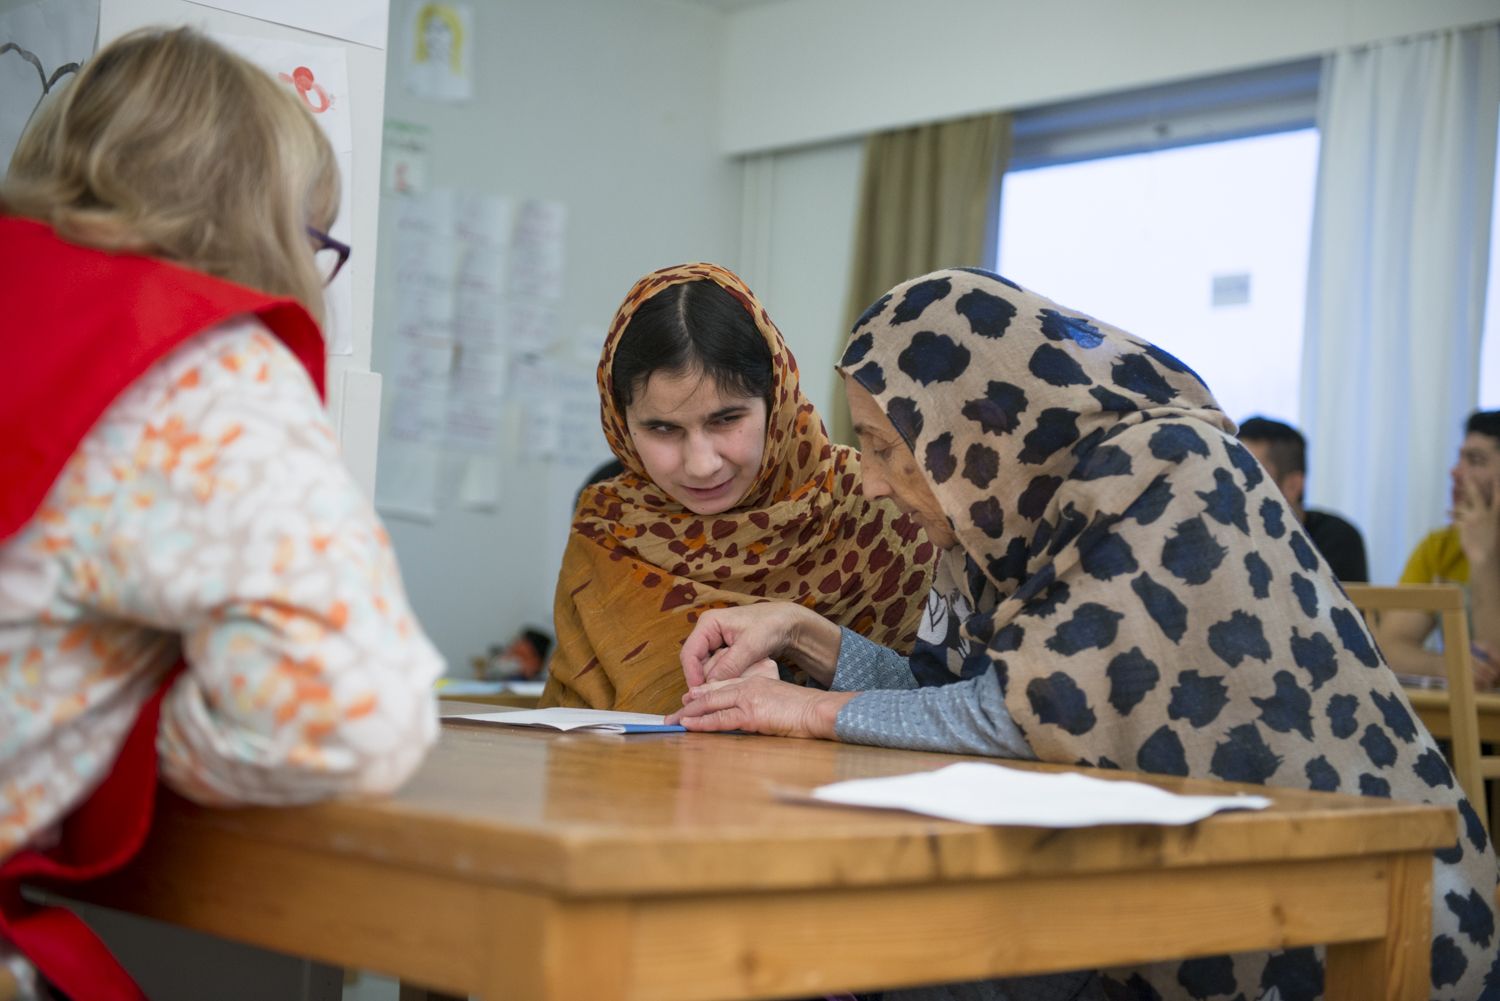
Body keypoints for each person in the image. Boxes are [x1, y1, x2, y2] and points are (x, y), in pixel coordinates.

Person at [669, 269, 1498, 1000]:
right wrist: (807, 636)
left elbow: (1024, 719)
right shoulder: (986, 509)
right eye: (866, 446)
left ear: (967, 421)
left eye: (890, 448)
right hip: (1164, 904)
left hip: (1364, 925)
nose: (877, 483)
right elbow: (944, 701)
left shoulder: (1167, 471)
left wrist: (808, 709)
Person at [0, 28, 442, 999]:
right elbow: (356, 714)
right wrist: (135, 727)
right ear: (264, 223)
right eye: (312, 238)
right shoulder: (198, 367)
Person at [543, 263, 938, 715]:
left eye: (727, 419)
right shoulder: (608, 527)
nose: (701, 463)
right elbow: (574, 718)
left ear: (777, 401)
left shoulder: (873, 504)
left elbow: (949, 704)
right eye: (661, 429)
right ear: (621, 426)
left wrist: (793, 678)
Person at [1378, 410, 1500, 687]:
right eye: (1460, 458)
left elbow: (1496, 668)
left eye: (1476, 461)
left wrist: (1483, 561)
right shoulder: (1440, 547)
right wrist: (1449, 665)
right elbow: (1389, 646)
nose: (1455, 472)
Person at [1237, 416, 1368, 582]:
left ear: (1293, 485)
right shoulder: (1223, 536)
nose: (1234, 486)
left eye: (1248, 476)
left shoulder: (1337, 540)